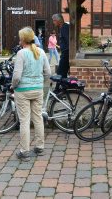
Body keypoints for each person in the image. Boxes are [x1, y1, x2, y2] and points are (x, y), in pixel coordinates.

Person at [12, 27, 51, 161]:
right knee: (38, 118)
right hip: (38, 89)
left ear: (23, 39)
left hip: (23, 90)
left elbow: (16, 76)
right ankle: (40, 147)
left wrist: (13, 86)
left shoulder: (21, 53)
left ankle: (24, 151)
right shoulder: (41, 52)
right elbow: (48, 73)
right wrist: (41, 83)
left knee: (24, 121)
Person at [52, 13, 69, 78]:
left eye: (54, 20)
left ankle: (62, 87)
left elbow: (68, 42)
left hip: (66, 55)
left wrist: (65, 53)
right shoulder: (64, 27)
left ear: (59, 20)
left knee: (60, 73)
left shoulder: (64, 28)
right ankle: (63, 87)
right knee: (61, 73)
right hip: (65, 54)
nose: (53, 22)